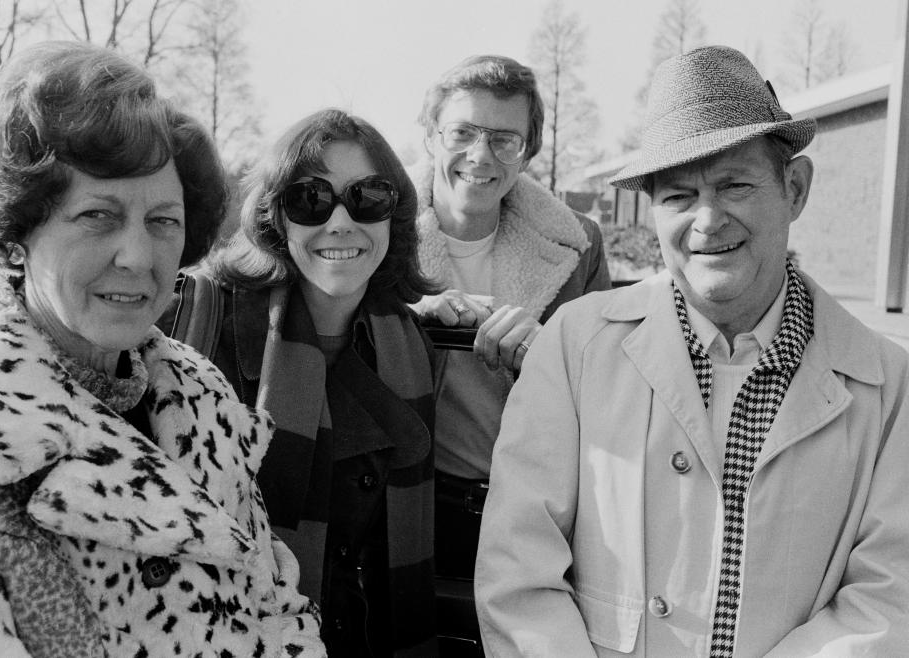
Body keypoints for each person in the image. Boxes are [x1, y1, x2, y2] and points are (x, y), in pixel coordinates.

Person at [475, 45, 909, 657]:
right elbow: (518, 575)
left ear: (796, 188)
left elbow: (888, 605)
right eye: (678, 196)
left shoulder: (889, 387)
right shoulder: (574, 348)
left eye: (735, 185)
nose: (707, 220)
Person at [0, 41, 324, 657]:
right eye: (98, 215)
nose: (139, 256)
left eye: (163, 221)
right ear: (18, 233)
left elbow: (278, 606)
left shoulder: (200, 394)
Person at [160, 109, 439, 657]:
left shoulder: (409, 348)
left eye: (368, 197)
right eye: (310, 199)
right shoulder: (195, 325)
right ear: (275, 219)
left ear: (393, 216)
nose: (340, 223)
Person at [409, 54, 611, 581]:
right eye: (462, 132)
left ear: (527, 153)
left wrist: (550, 352)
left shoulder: (579, 245)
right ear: (430, 137)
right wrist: (409, 324)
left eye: (504, 139)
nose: (480, 155)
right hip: (411, 501)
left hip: (538, 510)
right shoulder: (374, 238)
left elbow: (611, 386)